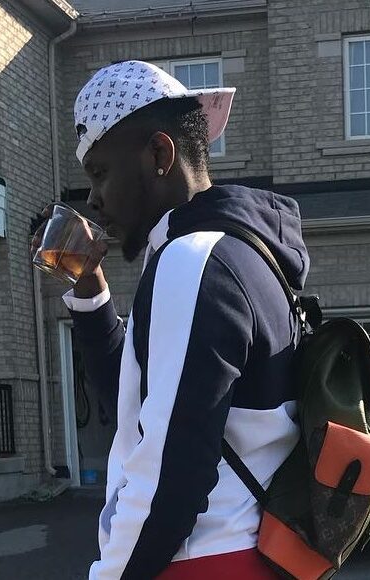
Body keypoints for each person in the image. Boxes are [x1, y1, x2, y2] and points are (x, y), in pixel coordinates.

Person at [60, 61, 309, 579]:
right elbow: (135, 410)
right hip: (255, 557)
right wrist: (90, 292)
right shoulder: (244, 255)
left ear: (159, 154)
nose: (93, 200)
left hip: (203, 562)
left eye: (100, 173)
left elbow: (170, 472)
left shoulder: (192, 261)